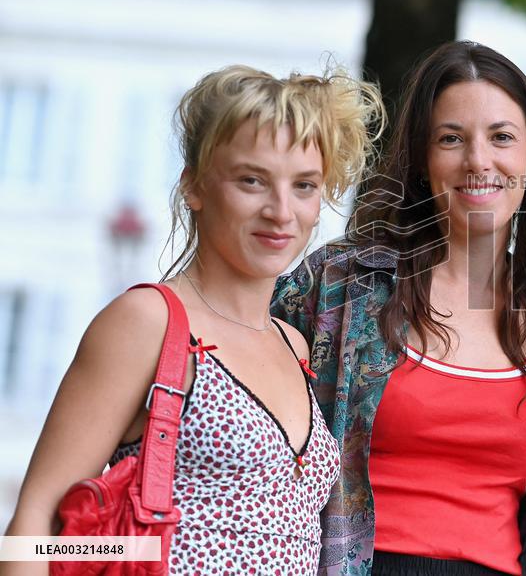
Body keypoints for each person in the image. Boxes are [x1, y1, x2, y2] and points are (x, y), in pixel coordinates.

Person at [7, 64, 383, 574]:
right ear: (194, 186)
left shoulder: (294, 344)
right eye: (252, 180)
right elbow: (35, 529)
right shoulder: (148, 322)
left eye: (304, 186)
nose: (281, 211)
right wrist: (145, 550)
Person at [270, 41, 526, 576]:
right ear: (421, 159)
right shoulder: (340, 285)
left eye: (501, 137)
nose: (478, 161)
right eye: (451, 139)